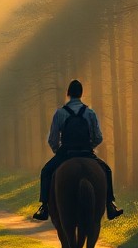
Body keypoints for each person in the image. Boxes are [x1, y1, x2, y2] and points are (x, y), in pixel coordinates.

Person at [33, 79, 123, 221]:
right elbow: (98, 137)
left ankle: (44, 207)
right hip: (86, 152)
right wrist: (89, 147)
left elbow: (52, 139)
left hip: (66, 153)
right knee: (106, 171)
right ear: (81, 94)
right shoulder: (90, 113)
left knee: (46, 172)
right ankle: (110, 205)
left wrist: (59, 151)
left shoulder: (60, 113)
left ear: (68, 94)